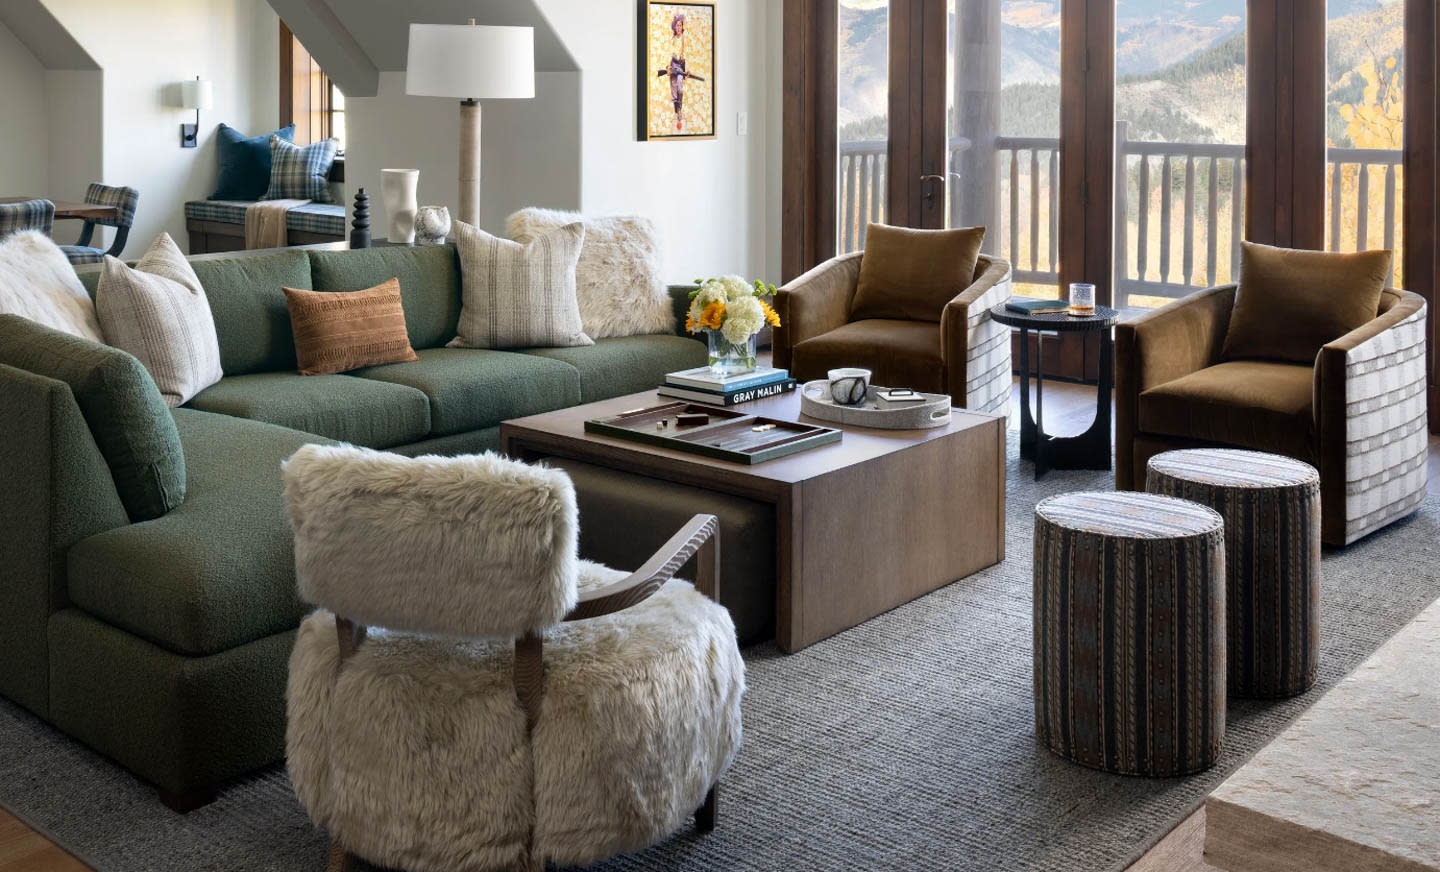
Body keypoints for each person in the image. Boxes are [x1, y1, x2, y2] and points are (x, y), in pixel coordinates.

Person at [657, 12, 704, 132]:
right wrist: (667, 67)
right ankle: (676, 112)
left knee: (680, 88)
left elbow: (689, 54)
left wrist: (687, 69)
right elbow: (667, 53)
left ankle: (679, 110)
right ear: (674, 26)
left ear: (682, 26)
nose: (678, 27)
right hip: (673, 65)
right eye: (676, 25)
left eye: (680, 25)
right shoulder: (672, 39)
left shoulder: (685, 39)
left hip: (681, 66)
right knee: (673, 89)